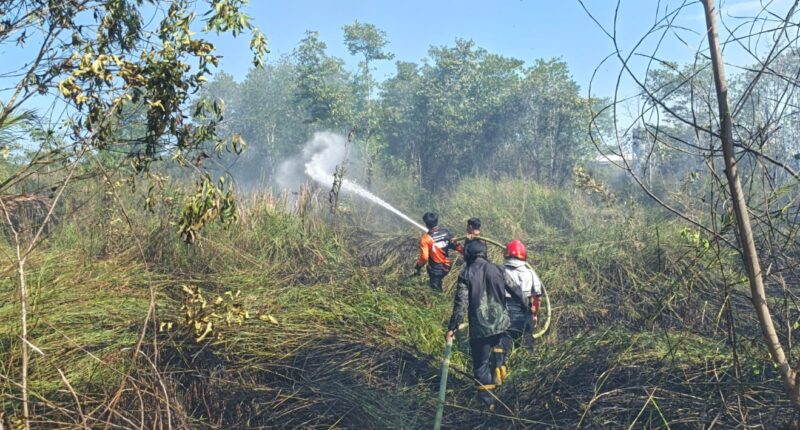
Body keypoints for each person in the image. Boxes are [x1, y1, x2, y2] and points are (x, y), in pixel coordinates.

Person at [445, 240, 513, 411]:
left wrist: (453, 327)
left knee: (481, 365)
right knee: (498, 354)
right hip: (501, 324)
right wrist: (528, 309)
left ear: (468, 255)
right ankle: (502, 386)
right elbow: (515, 290)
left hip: (479, 328)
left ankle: (487, 404)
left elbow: (461, 304)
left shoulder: (466, 273)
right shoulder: (498, 269)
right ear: (484, 253)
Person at [503, 240, 543, 352]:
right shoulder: (531, 273)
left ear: (506, 254)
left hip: (504, 313)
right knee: (526, 348)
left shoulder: (499, 271)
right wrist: (534, 315)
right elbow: (537, 298)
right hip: (525, 313)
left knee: (504, 349)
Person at [415, 212, 459, 292]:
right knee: (438, 284)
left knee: (435, 289)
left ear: (426, 225)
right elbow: (456, 246)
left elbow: (424, 258)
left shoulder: (426, 238)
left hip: (436, 269)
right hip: (447, 266)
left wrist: (418, 266)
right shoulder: (446, 232)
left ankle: (440, 298)